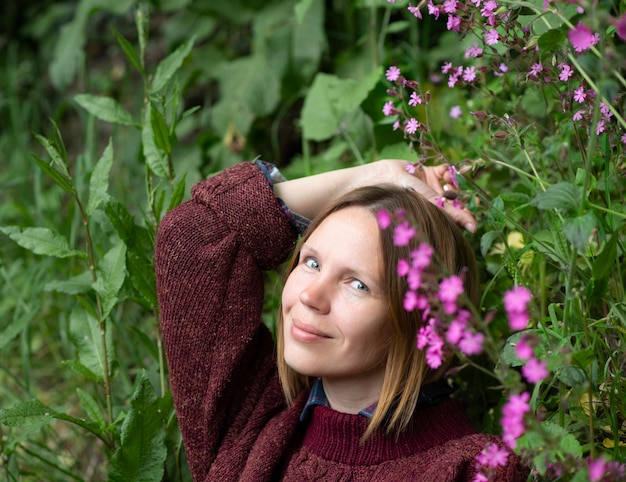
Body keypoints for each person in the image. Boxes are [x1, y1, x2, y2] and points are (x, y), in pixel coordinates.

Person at [155, 159, 529, 481]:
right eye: (312, 262)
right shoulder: (254, 427)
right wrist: (371, 176)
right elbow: (192, 236)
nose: (310, 296)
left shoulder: (473, 470)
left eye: (357, 285)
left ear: (425, 318)